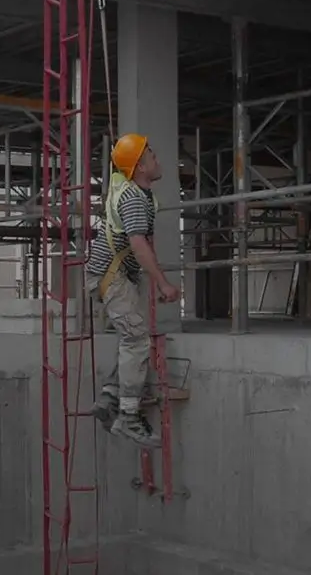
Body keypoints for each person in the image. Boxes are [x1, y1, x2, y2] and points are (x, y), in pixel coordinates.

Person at [85, 133, 180, 448]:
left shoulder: (133, 190)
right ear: (139, 166)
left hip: (112, 274)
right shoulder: (135, 199)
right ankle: (128, 417)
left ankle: (110, 397)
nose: (156, 158)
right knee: (137, 338)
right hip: (111, 275)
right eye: (150, 154)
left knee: (130, 336)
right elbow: (139, 246)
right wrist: (162, 283)